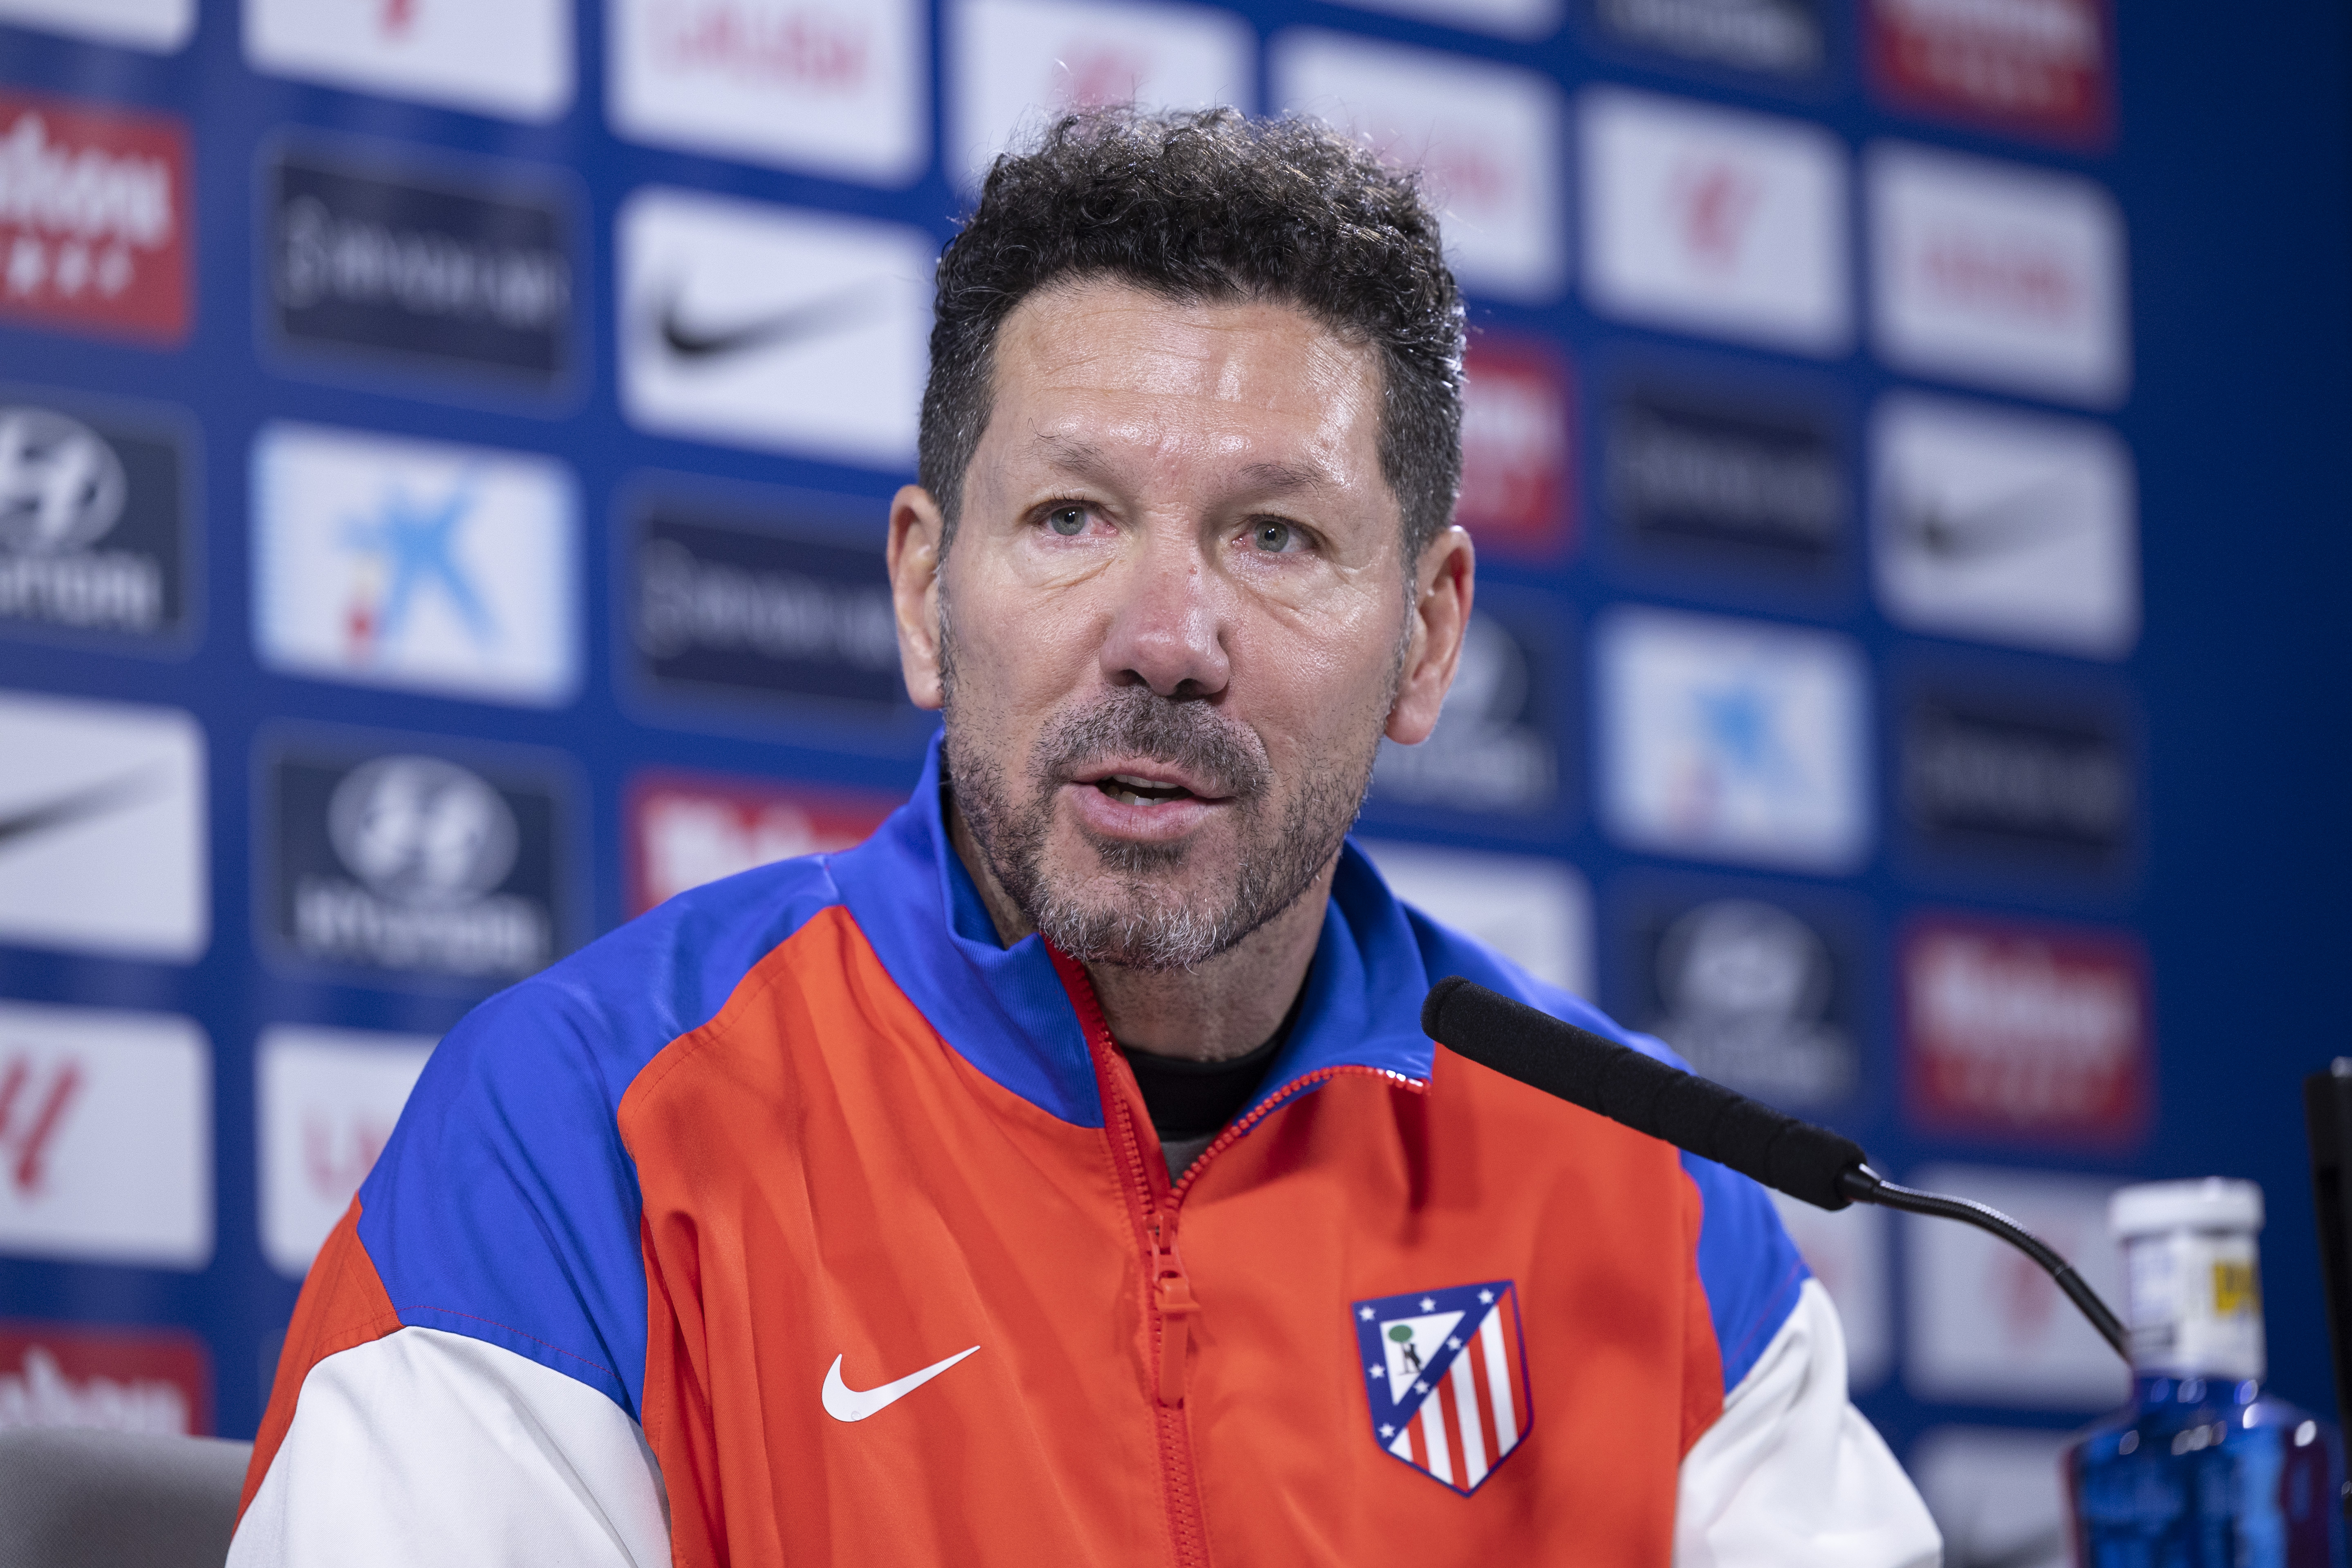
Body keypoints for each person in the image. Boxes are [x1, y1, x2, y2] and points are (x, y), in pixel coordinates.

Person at [228, 108, 1940, 1567]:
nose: (1167, 632)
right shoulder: (578, 1131)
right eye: (1070, 516)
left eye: (1274, 536)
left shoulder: (1647, 1191)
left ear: (1424, 640)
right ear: (923, 592)